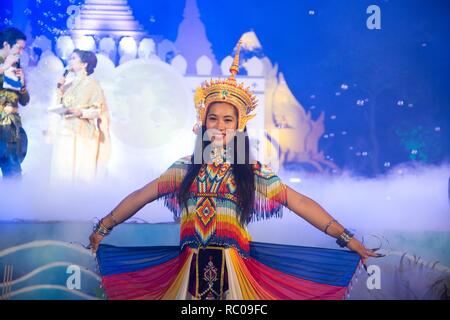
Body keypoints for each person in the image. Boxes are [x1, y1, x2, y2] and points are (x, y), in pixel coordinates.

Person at [89, 41, 379, 300]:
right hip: (187, 280)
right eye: (213, 118)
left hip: (237, 281)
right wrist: (103, 227)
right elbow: (141, 195)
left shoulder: (250, 172)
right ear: (203, 124)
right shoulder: (184, 169)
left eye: (228, 119)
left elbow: (299, 202)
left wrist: (346, 238)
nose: (220, 125)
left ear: (239, 126)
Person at [50, 49, 110, 183]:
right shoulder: (68, 84)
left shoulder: (92, 84)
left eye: (73, 58)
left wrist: (81, 112)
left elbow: (97, 111)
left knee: (79, 173)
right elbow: (60, 104)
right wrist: (59, 88)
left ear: (84, 64)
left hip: (82, 133)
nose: (70, 61)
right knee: (62, 171)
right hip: (65, 130)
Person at [0, 27, 30, 179]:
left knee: (13, 170)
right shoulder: (4, 66)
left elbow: (25, 101)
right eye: (18, 48)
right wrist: (3, 67)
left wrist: (23, 85)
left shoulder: (16, 67)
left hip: (12, 126)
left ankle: (11, 200)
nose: (20, 52)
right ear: (6, 45)